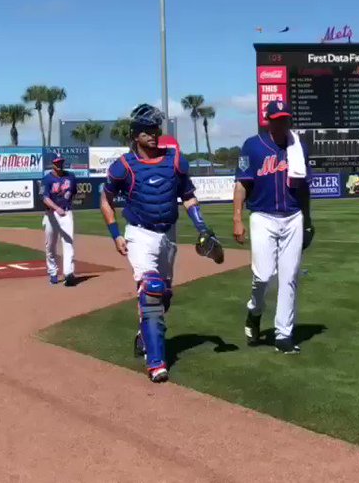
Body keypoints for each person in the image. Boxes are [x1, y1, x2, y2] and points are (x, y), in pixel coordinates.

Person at [100, 104, 222, 383]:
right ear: (135, 135)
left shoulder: (175, 161)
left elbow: (188, 196)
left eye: (156, 129)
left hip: (169, 234)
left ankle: (145, 332)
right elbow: (105, 199)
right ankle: (156, 363)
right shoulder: (122, 167)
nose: (154, 135)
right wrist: (115, 233)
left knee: (164, 295)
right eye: (148, 130)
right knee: (151, 288)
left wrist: (202, 227)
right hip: (140, 234)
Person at [234, 100, 315, 354]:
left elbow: (304, 188)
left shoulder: (298, 146)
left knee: (289, 277)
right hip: (263, 216)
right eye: (277, 118)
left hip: (293, 217)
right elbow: (241, 184)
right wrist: (237, 219)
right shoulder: (253, 146)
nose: (282, 123)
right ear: (268, 121)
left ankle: (283, 334)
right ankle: (254, 311)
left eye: (286, 118)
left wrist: (308, 220)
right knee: (264, 275)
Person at [41, 154, 77, 286]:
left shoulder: (71, 177)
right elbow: (45, 198)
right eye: (57, 162)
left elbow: (73, 192)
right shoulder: (46, 179)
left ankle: (69, 273)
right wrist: (56, 208)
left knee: (68, 243)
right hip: (51, 215)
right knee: (50, 245)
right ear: (52, 164)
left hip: (66, 213)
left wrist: (65, 207)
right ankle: (52, 271)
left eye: (61, 162)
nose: (60, 165)